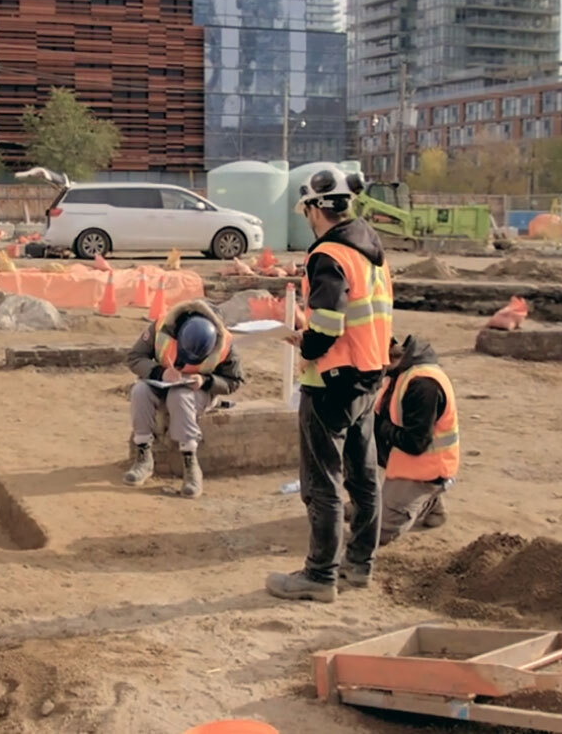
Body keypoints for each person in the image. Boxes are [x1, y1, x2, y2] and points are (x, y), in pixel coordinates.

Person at [267, 167, 393, 602]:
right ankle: (360, 566)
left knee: (322, 481)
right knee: (363, 477)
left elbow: (328, 325)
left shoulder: (329, 256)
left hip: (332, 380)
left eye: (305, 209)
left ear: (317, 208)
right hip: (368, 374)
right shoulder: (370, 253)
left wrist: (306, 340)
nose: (305, 216)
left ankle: (319, 576)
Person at [124, 299, 243, 498]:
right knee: (139, 391)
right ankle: (144, 457)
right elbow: (135, 357)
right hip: (161, 383)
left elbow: (234, 380)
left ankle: (191, 466)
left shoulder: (225, 343)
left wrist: (205, 380)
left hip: (197, 391)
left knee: (179, 397)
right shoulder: (161, 327)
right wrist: (159, 373)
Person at [375, 334, 460, 546]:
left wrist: (377, 426)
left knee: (373, 533)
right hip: (406, 462)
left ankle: (427, 495)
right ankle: (423, 500)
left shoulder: (422, 385)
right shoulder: (401, 374)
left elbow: (415, 443)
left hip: (423, 467)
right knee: (362, 513)